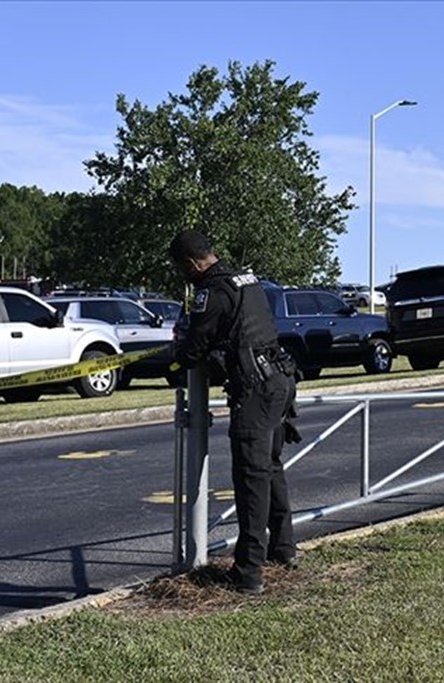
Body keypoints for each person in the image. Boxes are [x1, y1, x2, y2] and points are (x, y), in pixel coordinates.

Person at [169, 230, 300, 594]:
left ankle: (249, 573)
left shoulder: (211, 291)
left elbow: (195, 348)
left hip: (255, 389)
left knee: (251, 479)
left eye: (182, 269)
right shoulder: (247, 280)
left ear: (192, 263)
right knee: (270, 469)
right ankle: (284, 549)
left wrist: (177, 360)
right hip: (280, 379)